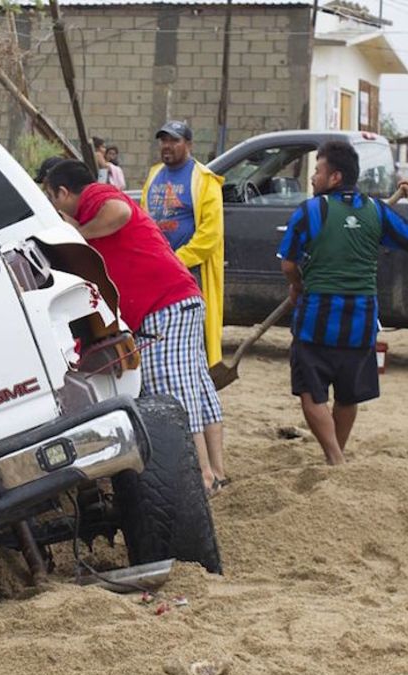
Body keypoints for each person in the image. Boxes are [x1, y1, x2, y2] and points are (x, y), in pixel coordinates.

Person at [43, 159, 224, 494]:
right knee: (197, 387)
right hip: (178, 299)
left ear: (64, 192)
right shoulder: (93, 205)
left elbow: (119, 212)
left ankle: (202, 477)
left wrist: (78, 233)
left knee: (173, 392)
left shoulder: (97, 196)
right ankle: (216, 470)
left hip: (164, 305)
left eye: (52, 198)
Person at [278, 141, 408, 465]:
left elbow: (289, 265)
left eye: (317, 171)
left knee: (310, 393)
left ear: (334, 177)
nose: (312, 178)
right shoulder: (376, 211)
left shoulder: (310, 212)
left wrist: (297, 287)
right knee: (348, 394)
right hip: (360, 324)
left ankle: (334, 457)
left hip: (314, 321)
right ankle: (337, 456)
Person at [141, 120, 228, 486]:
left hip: (188, 285)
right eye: (163, 140)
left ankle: (208, 472)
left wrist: (175, 260)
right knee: (196, 378)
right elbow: (145, 222)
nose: (167, 146)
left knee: (186, 379)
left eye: (173, 141)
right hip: (161, 280)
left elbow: (209, 235)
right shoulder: (154, 176)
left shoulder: (204, 180)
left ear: (188, 144)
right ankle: (217, 471)